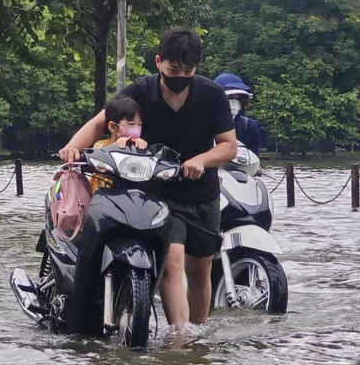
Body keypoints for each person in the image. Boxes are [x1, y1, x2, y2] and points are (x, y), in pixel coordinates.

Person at [58, 28, 237, 330]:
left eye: (188, 70)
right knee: (171, 264)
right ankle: (180, 338)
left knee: (201, 270)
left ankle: (197, 335)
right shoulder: (140, 92)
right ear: (158, 62)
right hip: (158, 192)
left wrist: (201, 161)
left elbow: (228, 146)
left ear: (197, 68)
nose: (181, 76)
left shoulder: (212, 95)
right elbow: (102, 121)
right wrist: (73, 148)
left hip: (202, 193)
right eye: (173, 69)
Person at [89, 95, 149, 194]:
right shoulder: (101, 145)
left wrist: (143, 150)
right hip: (103, 196)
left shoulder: (136, 146)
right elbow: (98, 157)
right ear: (112, 127)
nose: (136, 128)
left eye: (139, 125)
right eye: (131, 124)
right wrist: (117, 147)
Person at [213, 72, 261, 155]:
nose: (234, 103)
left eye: (239, 98)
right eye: (229, 98)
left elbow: (255, 161)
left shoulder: (249, 127)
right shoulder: (201, 127)